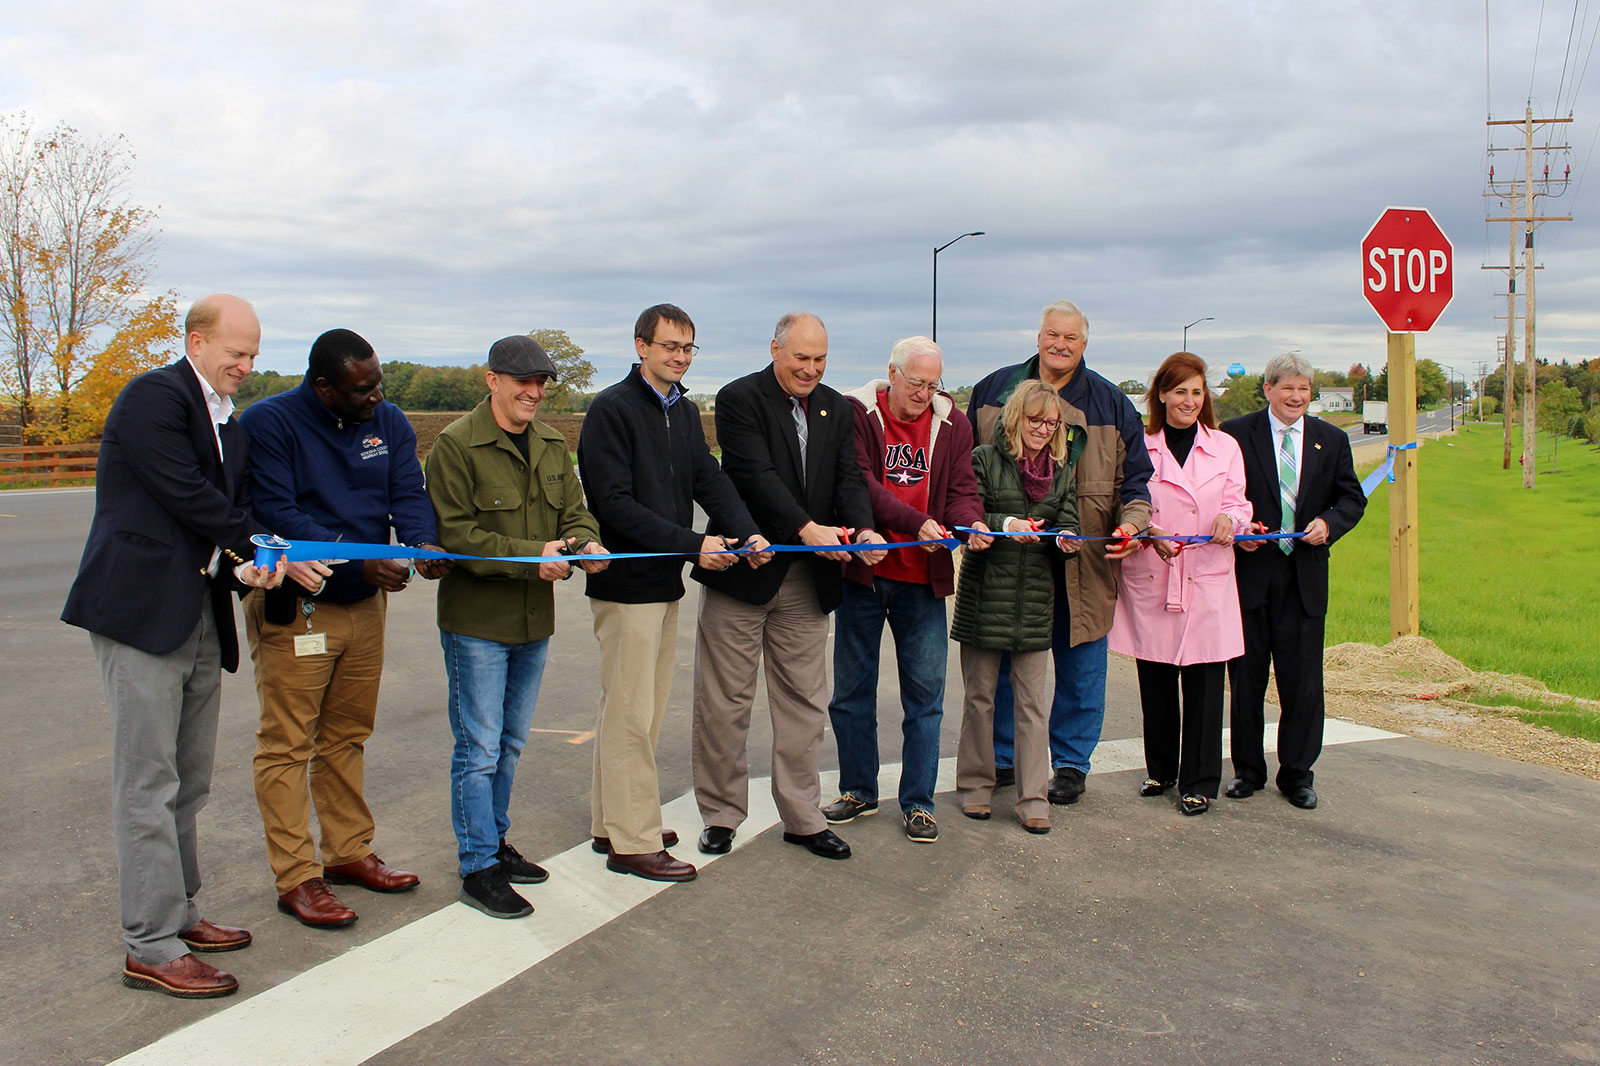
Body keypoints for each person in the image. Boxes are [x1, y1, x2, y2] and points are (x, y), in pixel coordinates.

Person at [62, 293, 286, 998]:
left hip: (197, 614)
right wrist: (249, 541)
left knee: (188, 780)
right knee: (147, 784)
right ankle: (149, 945)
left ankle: (181, 911)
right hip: (139, 614)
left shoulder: (233, 425)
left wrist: (250, 563)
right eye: (235, 354)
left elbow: (228, 517)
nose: (245, 367)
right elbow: (187, 493)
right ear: (196, 342)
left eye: (252, 356)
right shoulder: (152, 399)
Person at [239, 328, 447, 928]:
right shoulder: (271, 424)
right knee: (287, 743)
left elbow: (408, 490)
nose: (377, 397)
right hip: (302, 605)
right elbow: (279, 512)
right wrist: (361, 559)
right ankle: (297, 876)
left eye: (378, 383)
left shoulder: (390, 421)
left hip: (365, 607)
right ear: (324, 386)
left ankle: (348, 853)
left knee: (347, 733)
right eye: (362, 390)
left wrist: (421, 542)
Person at [577, 304, 771, 883]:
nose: (680, 357)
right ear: (641, 346)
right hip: (625, 585)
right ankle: (632, 842)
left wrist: (746, 529)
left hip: (662, 584)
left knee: (637, 707)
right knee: (633, 713)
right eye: (669, 347)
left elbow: (707, 477)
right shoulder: (611, 410)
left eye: (688, 348)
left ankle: (611, 820)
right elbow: (613, 504)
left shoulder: (682, 412)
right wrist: (694, 544)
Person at [691, 312, 884, 861]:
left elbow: (849, 474)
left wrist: (864, 527)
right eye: (801, 358)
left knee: (803, 702)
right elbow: (754, 475)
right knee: (725, 701)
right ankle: (722, 814)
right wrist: (806, 529)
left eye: (820, 359)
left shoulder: (837, 408)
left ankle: (803, 817)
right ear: (775, 348)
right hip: (746, 572)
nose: (811, 369)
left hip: (810, 579)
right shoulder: (737, 399)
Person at [426, 335, 607, 918]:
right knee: (478, 747)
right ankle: (477, 865)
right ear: (492, 380)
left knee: (509, 744)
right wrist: (536, 552)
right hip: (478, 622)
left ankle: (495, 844)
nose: (533, 392)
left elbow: (574, 511)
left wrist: (585, 541)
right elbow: (458, 537)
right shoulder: (456, 446)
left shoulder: (554, 444)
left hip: (533, 620)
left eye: (541, 383)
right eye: (522, 381)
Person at [968, 300, 1152, 806]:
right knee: (1007, 660)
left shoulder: (1113, 404)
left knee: (1081, 665)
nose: (1060, 345)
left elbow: (1137, 482)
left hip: (1082, 561)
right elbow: (964, 475)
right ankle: (1004, 757)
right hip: (1007, 561)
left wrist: (1133, 525)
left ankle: (1071, 763)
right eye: (1052, 334)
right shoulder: (991, 392)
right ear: (1038, 336)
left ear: (1084, 344)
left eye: (1071, 338)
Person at [822, 336, 987, 844]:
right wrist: (917, 522)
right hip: (866, 575)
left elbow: (961, 490)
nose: (923, 393)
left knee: (926, 697)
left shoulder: (954, 424)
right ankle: (859, 790)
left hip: (923, 580)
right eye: (915, 382)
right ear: (891, 373)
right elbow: (860, 483)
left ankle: (919, 801)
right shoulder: (857, 414)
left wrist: (970, 523)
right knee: (851, 693)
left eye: (932, 384)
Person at [1221, 351, 1366, 810]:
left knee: (1302, 684)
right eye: (1288, 388)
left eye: (1304, 389)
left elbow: (1352, 499)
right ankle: (1247, 771)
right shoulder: (1236, 435)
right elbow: (1225, 494)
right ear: (1268, 390)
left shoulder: (1331, 439)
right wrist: (1239, 531)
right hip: (1250, 575)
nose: (1297, 397)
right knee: (1246, 681)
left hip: (1304, 578)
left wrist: (1329, 524)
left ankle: (1298, 774)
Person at [1107, 353, 1251, 816]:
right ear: (1162, 395)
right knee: (1156, 679)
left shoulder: (1225, 447)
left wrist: (1231, 518)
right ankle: (1162, 769)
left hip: (1207, 576)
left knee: (1206, 683)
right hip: (1155, 573)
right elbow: (1126, 499)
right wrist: (1150, 532)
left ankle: (1200, 781)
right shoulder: (1141, 444)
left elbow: (1239, 501)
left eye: (1196, 392)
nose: (1189, 401)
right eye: (1179, 391)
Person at [951, 380, 1081, 834]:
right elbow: (966, 511)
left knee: (1032, 705)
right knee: (980, 699)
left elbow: (1070, 520)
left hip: (1035, 601)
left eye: (1051, 422)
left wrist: (1066, 540)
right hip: (986, 595)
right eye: (1035, 420)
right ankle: (974, 788)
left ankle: (1032, 798)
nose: (1043, 430)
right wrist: (1005, 523)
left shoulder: (1064, 470)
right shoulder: (984, 459)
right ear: (1016, 417)